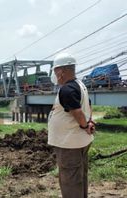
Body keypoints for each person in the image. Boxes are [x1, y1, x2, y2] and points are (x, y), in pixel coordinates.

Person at [48, 52, 95, 198]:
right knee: (79, 176)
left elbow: (78, 112)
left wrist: (84, 125)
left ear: (61, 71)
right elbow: (88, 105)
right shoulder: (80, 85)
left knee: (70, 180)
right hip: (79, 141)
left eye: (55, 71)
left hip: (69, 144)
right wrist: (90, 121)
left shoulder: (67, 89)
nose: (54, 74)